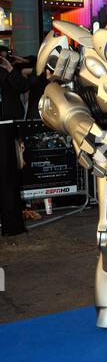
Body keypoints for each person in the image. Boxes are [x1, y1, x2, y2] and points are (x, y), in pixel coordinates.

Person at [0, 57, 30, 237]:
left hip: (5, 126)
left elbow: (24, 87)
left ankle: (11, 224)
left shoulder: (9, 72)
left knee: (7, 177)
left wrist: (11, 69)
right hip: (5, 125)